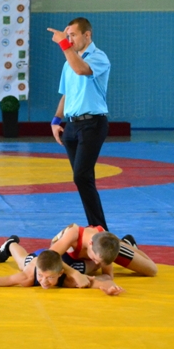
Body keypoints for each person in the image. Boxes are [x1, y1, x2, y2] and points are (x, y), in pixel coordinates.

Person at [47, 17, 111, 230]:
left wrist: (63, 44)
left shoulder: (99, 57)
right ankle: (97, 229)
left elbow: (82, 70)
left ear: (87, 35)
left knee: (82, 176)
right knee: (83, 180)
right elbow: (66, 95)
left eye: (73, 35)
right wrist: (56, 120)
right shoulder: (68, 62)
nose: (70, 40)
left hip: (92, 124)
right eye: (68, 36)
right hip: (72, 126)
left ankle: (100, 229)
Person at [0, 235, 124, 295]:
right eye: (41, 277)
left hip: (59, 259)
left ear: (60, 274)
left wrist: (110, 288)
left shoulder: (70, 280)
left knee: (91, 267)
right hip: (37, 259)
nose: (44, 282)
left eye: (49, 278)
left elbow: (102, 282)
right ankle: (11, 244)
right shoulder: (29, 276)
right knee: (23, 262)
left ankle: (125, 244)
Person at [48, 224, 158, 278]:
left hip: (104, 246)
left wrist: (107, 283)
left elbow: (108, 276)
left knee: (151, 270)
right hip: (70, 257)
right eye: (95, 259)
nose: (97, 264)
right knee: (64, 272)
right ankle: (121, 242)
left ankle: (124, 243)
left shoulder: (105, 250)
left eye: (99, 263)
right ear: (90, 244)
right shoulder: (73, 234)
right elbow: (49, 256)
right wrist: (74, 273)